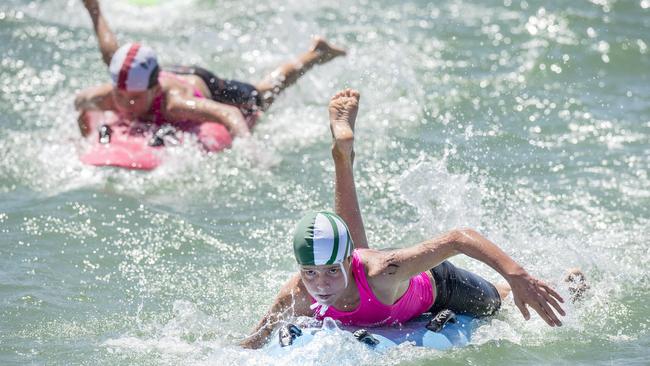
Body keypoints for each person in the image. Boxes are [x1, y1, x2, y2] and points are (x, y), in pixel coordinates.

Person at [239, 89, 569, 349]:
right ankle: (342, 154)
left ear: (345, 261)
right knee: (356, 262)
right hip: (367, 277)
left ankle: (564, 287)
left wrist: (517, 276)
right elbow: (250, 344)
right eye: (309, 272)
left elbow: (458, 238)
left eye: (329, 271)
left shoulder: (384, 270)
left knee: (498, 302)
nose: (320, 284)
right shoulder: (297, 292)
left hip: (439, 287)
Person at [74, 0, 346, 141]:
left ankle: (315, 54)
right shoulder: (109, 95)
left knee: (262, 96)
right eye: (121, 96)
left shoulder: (173, 103)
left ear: (154, 90)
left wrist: (250, 149)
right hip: (153, 73)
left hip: (201, 82)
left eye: (134, 98)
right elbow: (81, 108)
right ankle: (94, 10)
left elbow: (228, 114)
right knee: (111, 59)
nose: (126, 104)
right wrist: (87, 138)